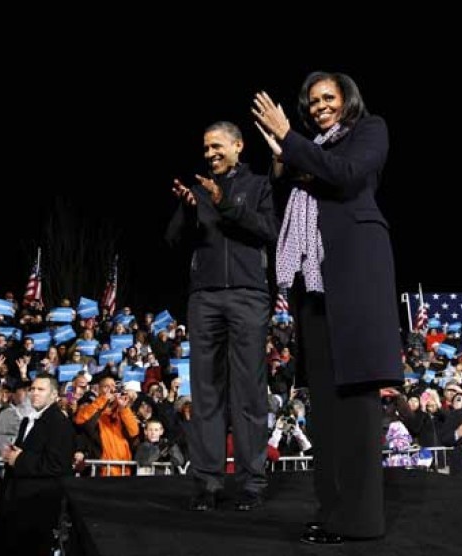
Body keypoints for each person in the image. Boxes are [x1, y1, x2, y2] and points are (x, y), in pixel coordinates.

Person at [253, 72, 404, 544]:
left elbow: (344, 175)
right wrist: (283, 162)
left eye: (327, 98)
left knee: (356, 404)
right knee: (325, 405)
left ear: (347, 99)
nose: (319, 106)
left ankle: (360, 520)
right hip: (312, 286)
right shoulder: (308, 151)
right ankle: (333, 509)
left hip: (353, 278)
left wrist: (289, 141)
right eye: (311, 101)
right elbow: (296, 198)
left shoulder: (369, 130)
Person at [165, 120, 279, 512]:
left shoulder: (259, 185)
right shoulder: (196, 191)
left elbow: (268, 231)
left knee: (248, 392)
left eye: (217, 147)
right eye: (206, 148)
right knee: (207, 392)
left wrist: (225, 203)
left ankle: (251, 482)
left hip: (249, 296)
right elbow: (173, 241)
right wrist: (187, 207)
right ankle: (208, 482)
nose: (210, 154)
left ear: (238, 146)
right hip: (205, 299)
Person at [0, 375, 75, 555]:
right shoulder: (28, 420)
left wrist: (20, 459)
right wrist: (12, 456)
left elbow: (58, 464)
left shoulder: (59, 422)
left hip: (40, 503)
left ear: (54, 394)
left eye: (41, 390)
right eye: (32, 389)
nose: (34, 393)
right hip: (18, 499)